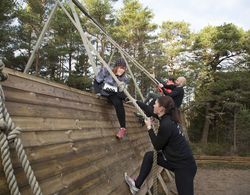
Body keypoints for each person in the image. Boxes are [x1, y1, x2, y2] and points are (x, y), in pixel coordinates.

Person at [125, 96, 197, 195]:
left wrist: (149, 127)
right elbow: (149, 110)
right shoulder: (166, 116)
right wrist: (135, 101)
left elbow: (157, 146)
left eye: (155, 103)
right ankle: (136, 186)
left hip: (184, 166)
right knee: (149, 156)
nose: (153, 105)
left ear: (161, 108)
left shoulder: (166, 124)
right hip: (175, 161)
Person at [94, 58, 129, 139]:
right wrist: (97, 92)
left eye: (124, 68)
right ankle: (125, 98)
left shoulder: (124, 78)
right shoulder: (106, 70)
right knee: (118, 93)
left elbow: (120, 90)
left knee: (118, 101)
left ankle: (123, 128)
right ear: (116, 67)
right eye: (120, 67)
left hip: (113, 94)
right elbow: (96, 81)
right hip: (104, 90)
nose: (122, 70)